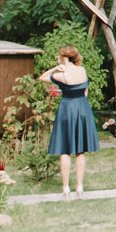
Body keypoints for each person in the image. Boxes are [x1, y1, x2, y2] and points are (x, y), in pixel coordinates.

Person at [38, 46, 100, 196]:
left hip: (67, 108)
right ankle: (79, 186)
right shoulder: (82, 70)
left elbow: (42, 78)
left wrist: (54, 69)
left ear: (64, 58)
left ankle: (66, 187)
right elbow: (82, 90)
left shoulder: (61, 75)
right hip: (82, 107)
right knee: (80, 150)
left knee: (65, 150)